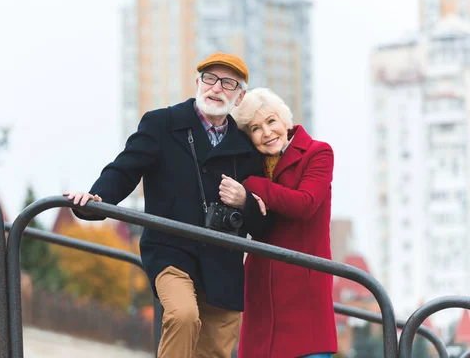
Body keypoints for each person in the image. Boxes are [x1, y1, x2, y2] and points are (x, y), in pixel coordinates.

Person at [65, 52, 267, 358]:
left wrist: (245, 202)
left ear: (239, 98)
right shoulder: (162, 124)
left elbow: (262, 218)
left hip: (224, 264)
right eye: (210, 79)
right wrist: (97, 199)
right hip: (171, 250)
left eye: (228, 83)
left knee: (214, 351)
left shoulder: (246, 150)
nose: (216, 88)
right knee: (183, 316)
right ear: (198, 83)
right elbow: (125, 169)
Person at [225, 87, 338, 358]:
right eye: (255, 128)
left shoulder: (318, 153)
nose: (266, 132)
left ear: (285, 121)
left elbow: (305, 203)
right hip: (262, 289)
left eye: (271, 121)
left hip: (304, 290)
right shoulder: (253, 164)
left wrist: (254, 187)